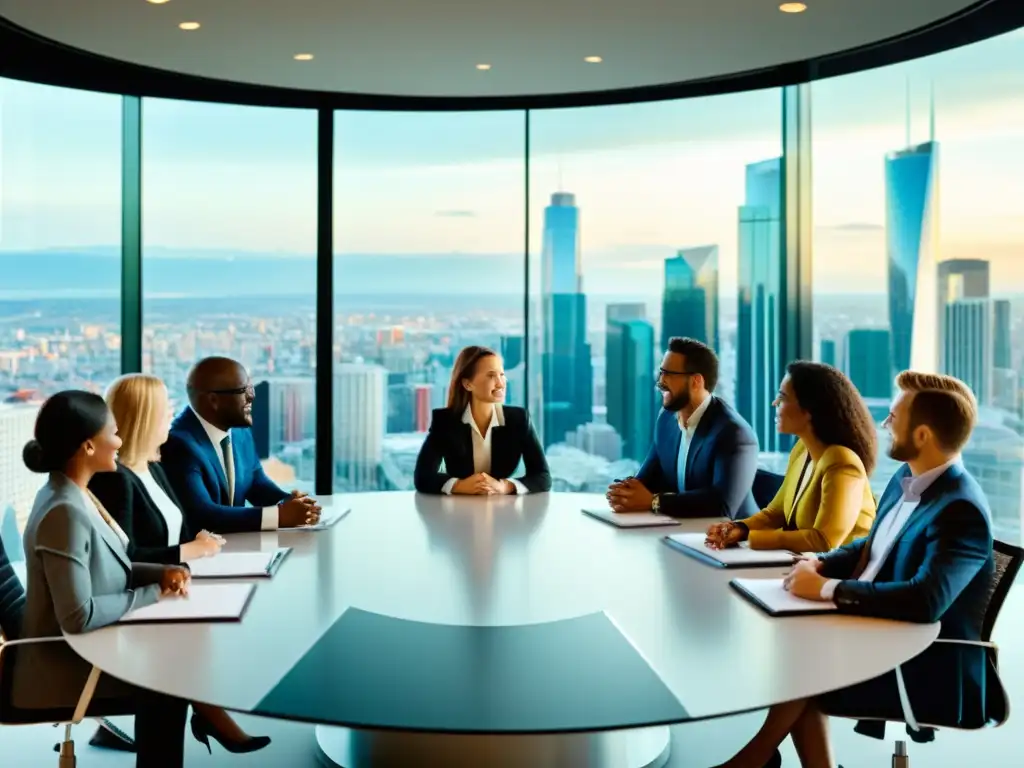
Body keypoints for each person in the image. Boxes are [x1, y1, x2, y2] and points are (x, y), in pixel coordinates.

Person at [714, 372, 994, 768]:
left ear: (923, 436)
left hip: (926, 663)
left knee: (801, 660)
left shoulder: (959, 508)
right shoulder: (906, 478)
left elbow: (926, 600)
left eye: (894, 417)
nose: (885, 424)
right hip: (879, 631)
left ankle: (752, 761)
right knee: (794, 642)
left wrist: (828, 589)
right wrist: (822, 563)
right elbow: (874, 544)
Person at [89, 373, 271, 755]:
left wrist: (202, 549)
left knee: (234, 612)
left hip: (167, 591)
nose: (172, 421)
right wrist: (189, 552)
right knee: (172, 666)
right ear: (145, 417)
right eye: (165, 412)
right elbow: (122, 558)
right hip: (130, 601)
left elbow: (185, 530)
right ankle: (210, 714)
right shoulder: (114, 479)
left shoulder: (153, 469)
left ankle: (206, 714)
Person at [11, 390, 191, 768]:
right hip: (65, 665)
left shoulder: (77, 495)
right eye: (115, 433)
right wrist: (153, 593)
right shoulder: (65, 511)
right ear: (89, 446)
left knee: (182, 653)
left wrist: (163, 573)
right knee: (173, 677)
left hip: (87, 648)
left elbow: (111, 569)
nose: (121, 442)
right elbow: (78, 616)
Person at [705, 361, 876, 553]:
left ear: (809, 409)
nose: (774, 403)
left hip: (842, 575)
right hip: (805, 565)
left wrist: (753, 538)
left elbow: (824, 540)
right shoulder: (802, 450)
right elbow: (775, 513)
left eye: (782, 397)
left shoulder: (842, 461)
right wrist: (738, 528)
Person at [160, 356, 320, 534]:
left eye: (251, 387)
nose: (252, 396)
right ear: (214, 400)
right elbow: (203, 515)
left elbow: (256, 483)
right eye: (243, 390)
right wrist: (279, 516)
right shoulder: (178, 445)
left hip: (236, 548)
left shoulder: (238, 430)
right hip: (200, 555)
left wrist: (290, 502)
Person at [607, 337, 758, 519]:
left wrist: (654, 502)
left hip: (731, 539)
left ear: (696, 381)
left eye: (669, 374)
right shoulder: (667, 418)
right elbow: (648, 479)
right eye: (661, 372)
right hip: (681, 531)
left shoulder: (734, 433)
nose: (660, 381)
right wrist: (625, 493)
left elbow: (722, 505)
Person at [414, 346, 551, 495]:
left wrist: (505, 486)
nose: (500, 383)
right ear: (468, 384)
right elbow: (423, 476)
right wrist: (459, 485)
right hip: (458, 510)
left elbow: (543, 477)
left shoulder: (518, 419)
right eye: (491, 375)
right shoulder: (446, 421)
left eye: (502, 374)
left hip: (503, 511)